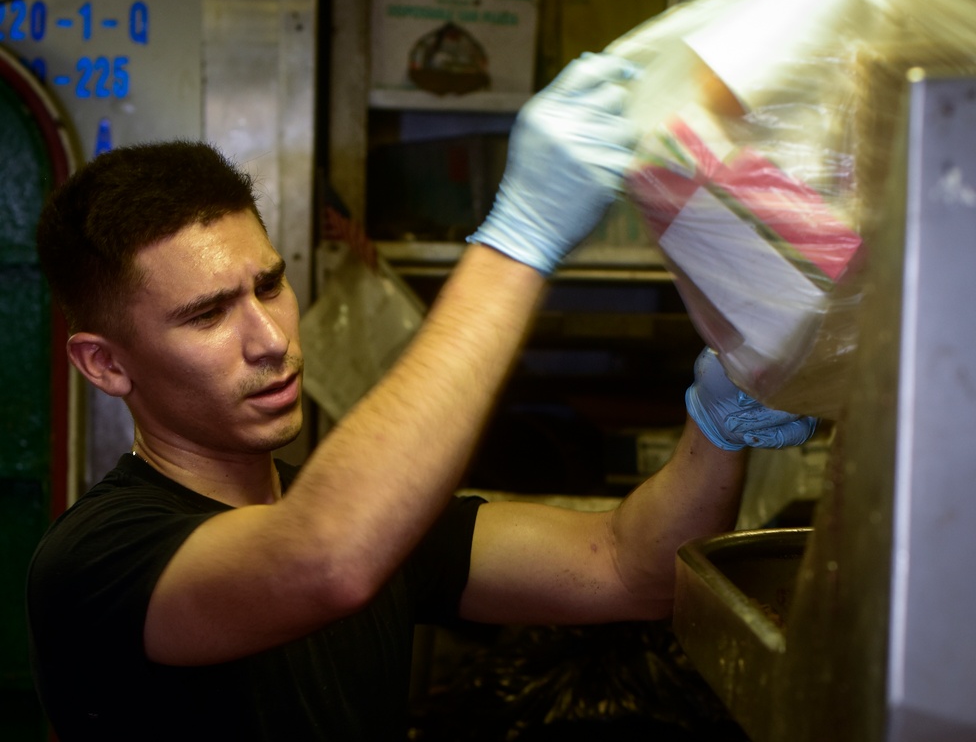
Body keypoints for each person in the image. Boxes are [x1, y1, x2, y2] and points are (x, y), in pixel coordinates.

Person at [27, 53, 816, 741]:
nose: (269, 338)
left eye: (269, 284)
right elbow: (323, 561)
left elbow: (628, 568)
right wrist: (519, 238)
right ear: (106, 366)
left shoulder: (370, 528)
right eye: (205, 316)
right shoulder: (96, 560)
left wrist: (720, 419)